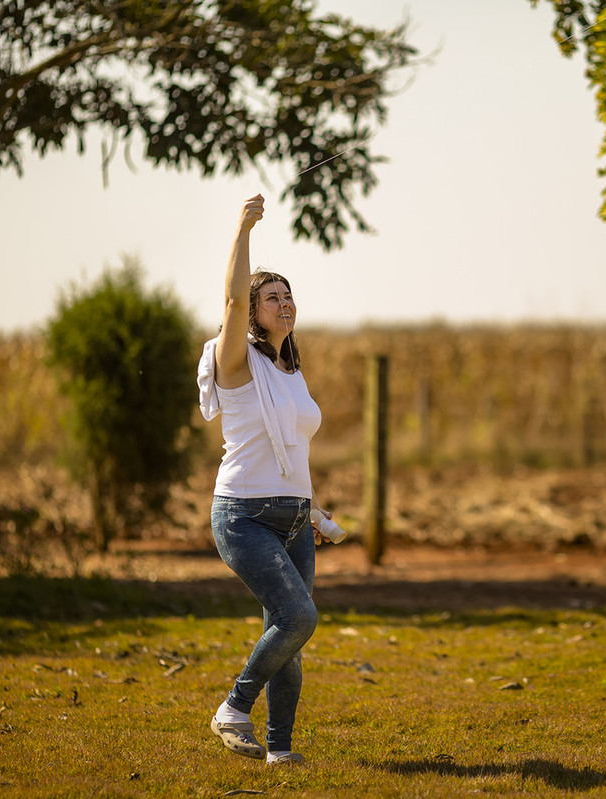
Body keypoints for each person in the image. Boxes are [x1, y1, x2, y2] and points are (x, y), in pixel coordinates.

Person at [196, 193, 340, 766]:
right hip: (243, 516)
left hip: (295, 518)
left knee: (290, 639)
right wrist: (242, 228)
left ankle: (280, 752)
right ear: (252, 312)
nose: (284, 303)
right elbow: (232, 297)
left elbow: (292, 450)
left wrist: (316, 512)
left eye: (288, 296)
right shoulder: (235, 361)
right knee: (298, 617)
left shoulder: (291, 369)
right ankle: (234, 707)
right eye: (271, 298)